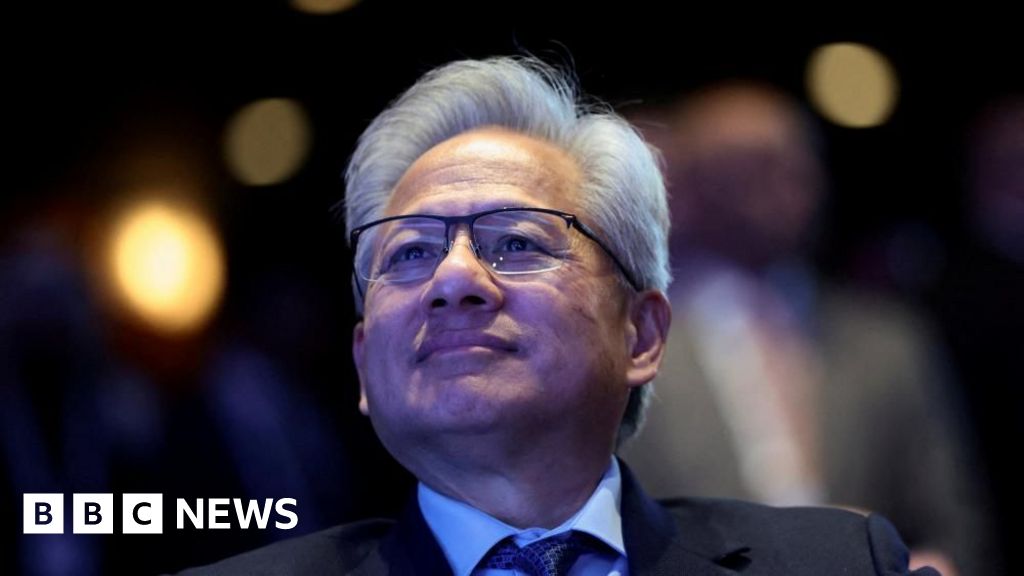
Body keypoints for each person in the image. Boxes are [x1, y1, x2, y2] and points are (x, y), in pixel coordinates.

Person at [177, 57, 938, 575]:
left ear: (641, 334)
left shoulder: (841, 563)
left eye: (516, 242)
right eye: (410, 253)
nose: (453, 280)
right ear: (363, 362)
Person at [618, 82, 994, 576]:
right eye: (744, 166)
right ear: (682, 185)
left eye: (794, 162)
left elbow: (955, 526)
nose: (778, 186)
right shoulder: (634, 344)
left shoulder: (887, 340)